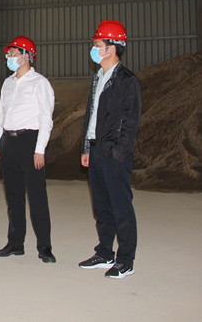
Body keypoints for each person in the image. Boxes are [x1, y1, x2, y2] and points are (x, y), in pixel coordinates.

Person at [78, 20, 141, 279]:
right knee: (102, 207)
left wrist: (118, 152)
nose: (94, 49)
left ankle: (125, 260)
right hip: (95, 150)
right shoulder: (98, 78)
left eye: (98, 44)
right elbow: (91, 116)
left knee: (120, 207)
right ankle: (105, 252)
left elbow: (131, 121)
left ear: (111, 48)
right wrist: (86, 147)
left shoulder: (127, 81)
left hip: (114, 153)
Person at [0, 36, 56, 263]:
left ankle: (44, 247)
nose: (9, 57)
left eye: (13, 53)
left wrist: (40, 149)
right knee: (13, 197)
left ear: (27, 55)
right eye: (8, 54)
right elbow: (1, 115)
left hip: (30, 142)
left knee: (37, 197)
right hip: (8, 142)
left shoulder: (40, 83)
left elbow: (46, 118)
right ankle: (15, 243)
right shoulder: (7, 83)